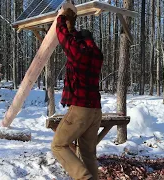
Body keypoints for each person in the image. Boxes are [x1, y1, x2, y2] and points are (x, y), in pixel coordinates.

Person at [51, 4, 104, 180]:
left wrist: (61, 19)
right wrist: (76, 32)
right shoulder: (96, 53)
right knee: (88, 153)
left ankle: (83, 177)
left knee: (58, 145)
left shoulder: (78, 54)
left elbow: (63, 38)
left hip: (81, 108)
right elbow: (76, 42)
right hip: (95, 110)